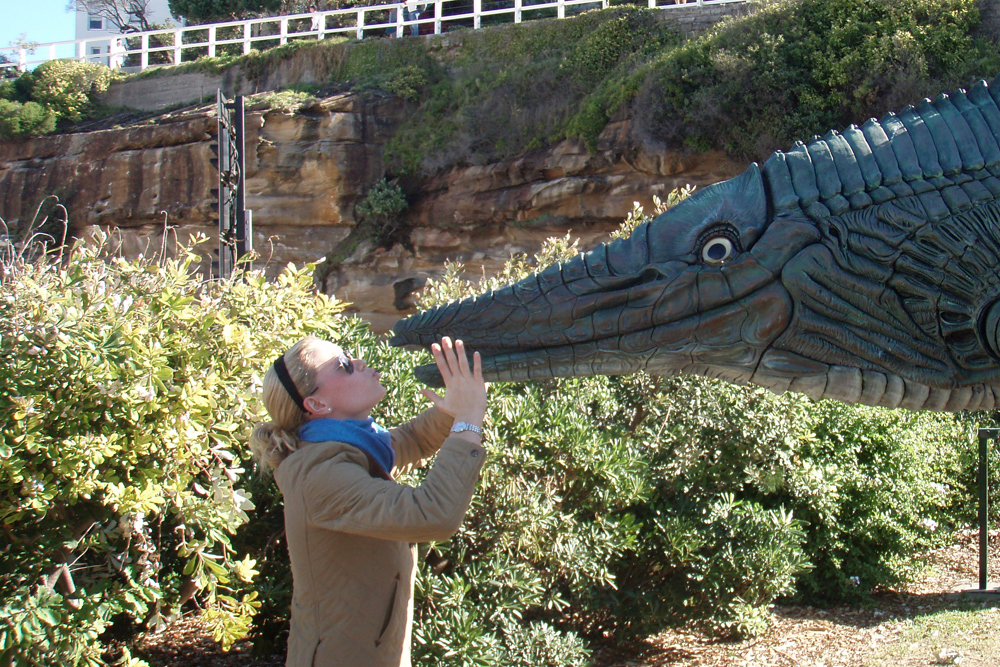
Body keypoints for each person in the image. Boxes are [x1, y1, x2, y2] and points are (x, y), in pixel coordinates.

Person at [248, 335, 488, 667]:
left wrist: (453, 409)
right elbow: (431, 514)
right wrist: (467, 421)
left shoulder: (344, 445)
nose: (358, 362)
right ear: (316, 405)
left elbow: (407, 441)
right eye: (343, 366)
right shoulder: (320, 475)